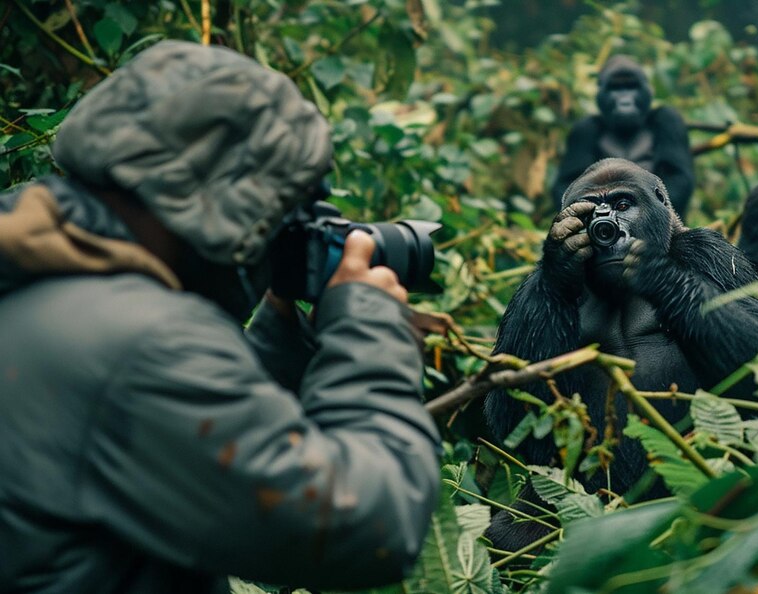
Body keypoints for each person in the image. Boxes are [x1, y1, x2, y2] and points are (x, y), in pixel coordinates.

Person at [0, 41, 440, 594]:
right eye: (287, 213)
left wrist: (282, 338)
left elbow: (169, 426)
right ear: (227, 198)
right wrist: (372, 332)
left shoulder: (41, 278)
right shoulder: (143, 342)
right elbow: (373, 525)